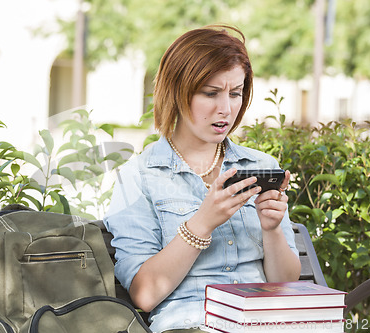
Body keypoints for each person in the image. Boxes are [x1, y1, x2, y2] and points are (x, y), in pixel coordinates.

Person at [103, 24, 301, 333]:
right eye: (210, 93)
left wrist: (272, 229)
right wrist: (202, 223)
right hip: (191, 324)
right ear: (178, 92)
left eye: (235, 94)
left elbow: (284, 284)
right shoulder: (138, 178)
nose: (226, 109)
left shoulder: (259, 164)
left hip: (267, 323)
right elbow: (145, 294)